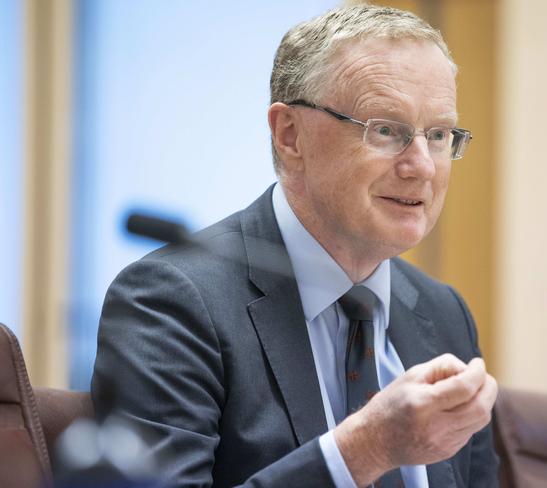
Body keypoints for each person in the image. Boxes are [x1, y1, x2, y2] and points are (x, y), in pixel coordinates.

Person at [92, 5, 499, 488]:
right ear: (290, 136)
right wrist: (365, 450)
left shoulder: (443, 312)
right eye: (387, 130)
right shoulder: (174, 300)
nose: (423, 167)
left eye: (437, 135)